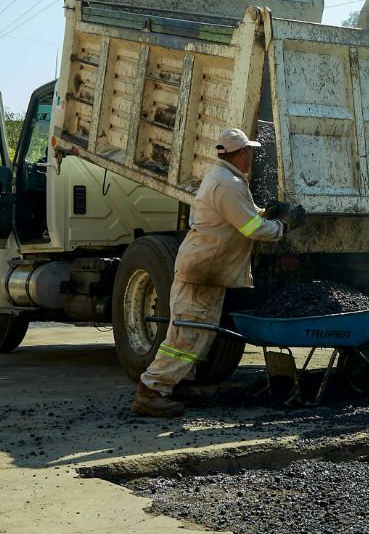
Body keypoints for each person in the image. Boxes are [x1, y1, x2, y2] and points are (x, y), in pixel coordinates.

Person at [131, 128, 306, 417]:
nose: (252, 155)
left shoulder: (225, 178)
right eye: (249, 151)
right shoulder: (228, 183)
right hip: (203, 270)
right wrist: (283, 226)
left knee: (196, 336)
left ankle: (174, 384)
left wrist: (265, 213)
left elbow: (239, 217)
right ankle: (150, 391)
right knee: (186, 336)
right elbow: (251, 229)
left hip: (206, 268)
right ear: (241, 153)